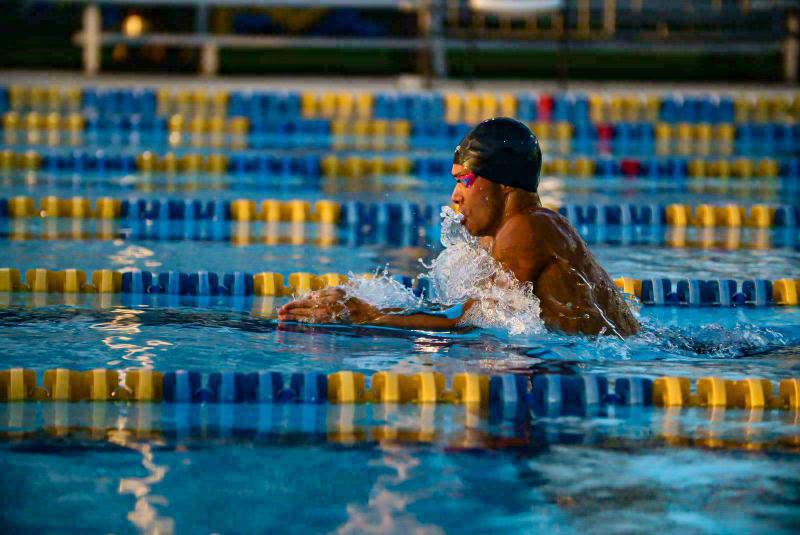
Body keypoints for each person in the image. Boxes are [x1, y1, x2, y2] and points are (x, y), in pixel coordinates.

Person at [278, 117, 640, 337]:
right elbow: (470, 311)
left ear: (502, 183)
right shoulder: (506, 234)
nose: (454, 196)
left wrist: (369, 316)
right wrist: (373, 305)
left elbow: (470, 319)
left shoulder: (527, 228)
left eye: (465, 181)